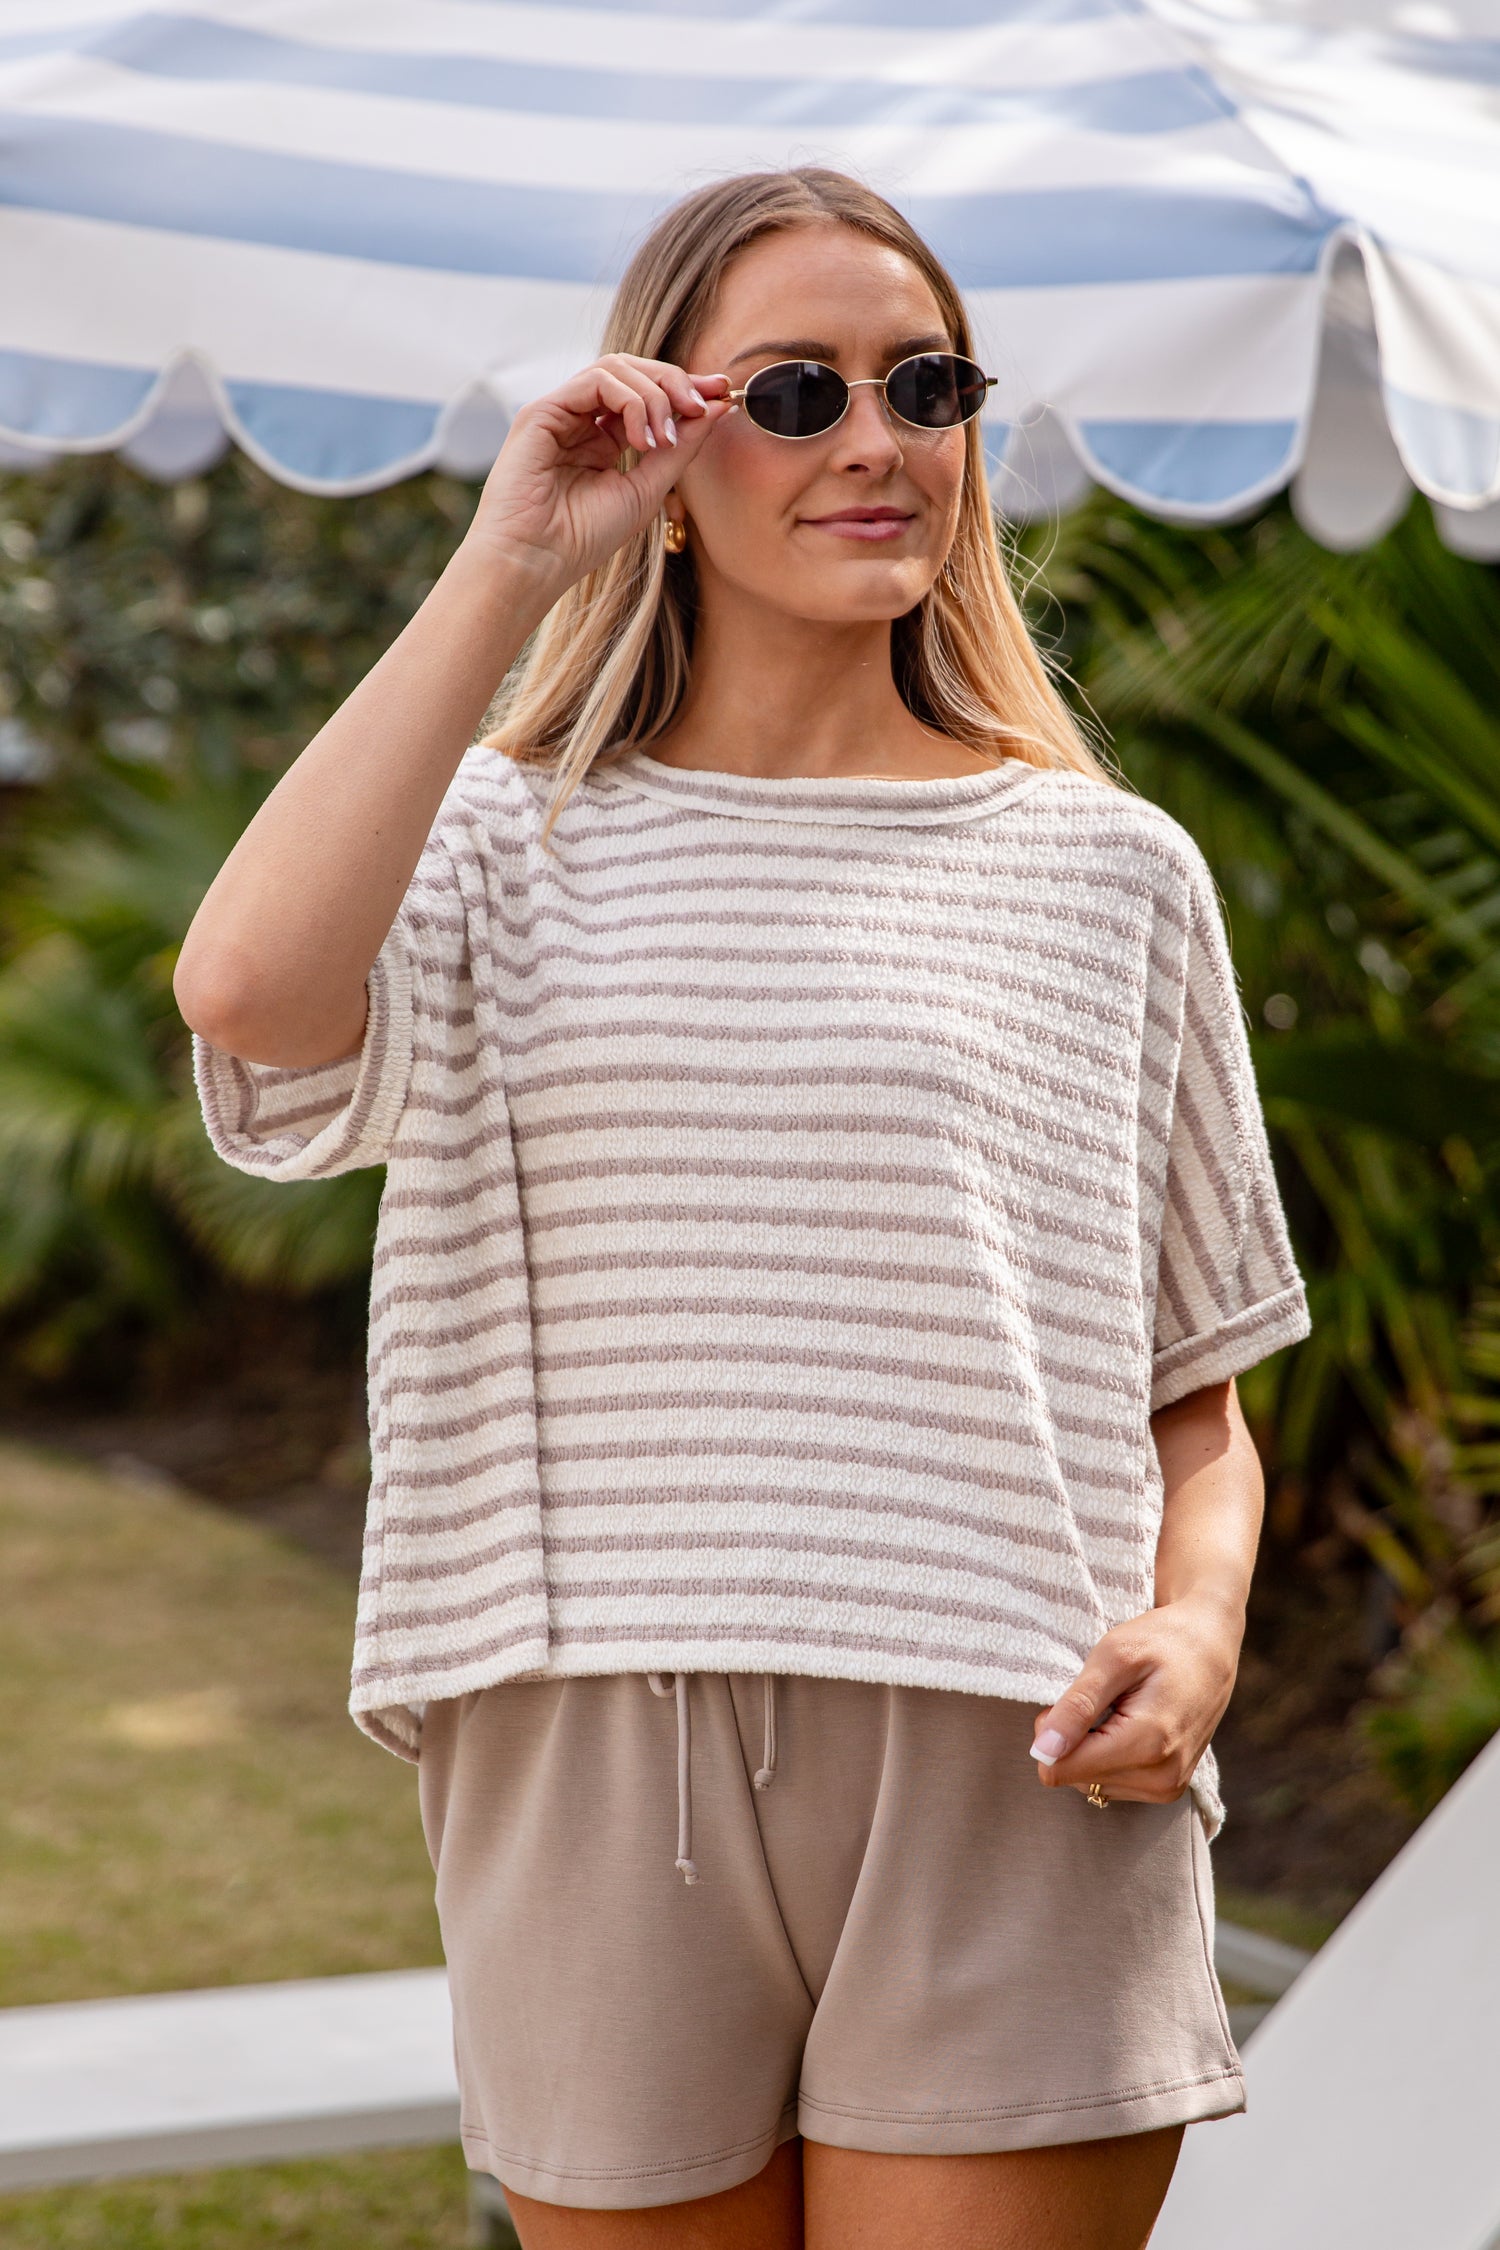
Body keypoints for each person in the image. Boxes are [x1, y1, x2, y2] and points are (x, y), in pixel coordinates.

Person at [176, 167, 1310, 2250]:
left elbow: (1199, 1401)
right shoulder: (498, 846)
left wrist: (1199, 1622)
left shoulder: (1110, 872)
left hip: (1020, 1742)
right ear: (669, 450)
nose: (878, 440)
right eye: (797, 391)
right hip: (591, 1733)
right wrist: (511, 565)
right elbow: (247, 996)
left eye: (925, 384)